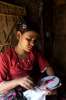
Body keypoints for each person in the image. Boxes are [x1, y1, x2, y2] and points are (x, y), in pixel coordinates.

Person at [0, 17, 55, 99]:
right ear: (19, 35)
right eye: (28, 39)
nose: (32, 44)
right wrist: (18, 81)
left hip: (29, 90)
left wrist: (52, 83)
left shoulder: (34, 53)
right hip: (11, 91)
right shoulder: (5, 57)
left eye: (35, 41)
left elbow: (47, 67)